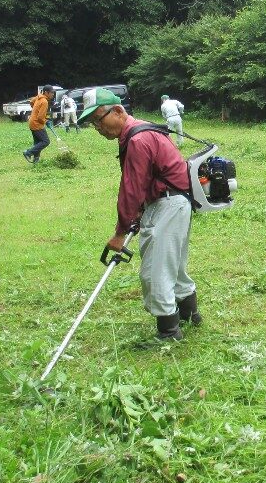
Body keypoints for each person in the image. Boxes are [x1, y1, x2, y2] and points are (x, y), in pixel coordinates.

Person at [78, 88, 199, 342]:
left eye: (99, 119)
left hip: (168, 204)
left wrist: (120, 232)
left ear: (119, 111)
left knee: (156, 271)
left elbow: (131, 190)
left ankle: (169, 332)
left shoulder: (137, 140)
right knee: (174, 265)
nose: (98, 128)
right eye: (92, 124)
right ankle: (191, 315)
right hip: (177, 201)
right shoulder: (142, 130)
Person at [23, 85, 55, 163]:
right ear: (46, 92)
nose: (53, 94)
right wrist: (46, 121)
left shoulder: (38, 97)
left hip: (32, 122)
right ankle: (28, 152)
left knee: (37, 142)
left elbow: (31, 102)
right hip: (37, 124)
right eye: (51, 93)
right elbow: (40, 117)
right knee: (45, 141)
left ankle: (36, 160)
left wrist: (36, 109)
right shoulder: (44, 101)